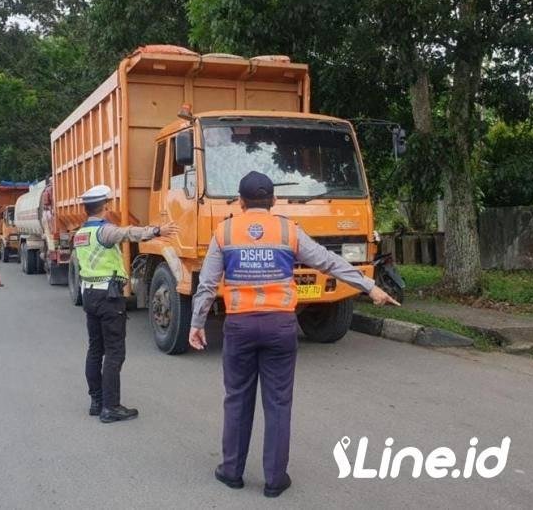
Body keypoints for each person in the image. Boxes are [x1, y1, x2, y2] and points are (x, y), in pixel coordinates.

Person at [188, 171, 399, 498]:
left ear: (241, 202)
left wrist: (197, 323)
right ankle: (274, 480)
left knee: (237, 400)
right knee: (278, 403)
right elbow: (329, 262)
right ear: (273, 201)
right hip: (280, 327)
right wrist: (370, 287)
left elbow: (207, 283)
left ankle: (231, 472)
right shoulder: (289, 230)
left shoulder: (224, 232)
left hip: (240, 327)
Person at [74, 184, 179, 423]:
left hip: (89, 295)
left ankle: (97, 402)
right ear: (105, 207)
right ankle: (111, 407)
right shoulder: (104, 231)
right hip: (108, 297)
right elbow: (127, 233)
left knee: (95, 350)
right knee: (114, 352)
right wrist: (157, 230)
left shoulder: (80, 233)